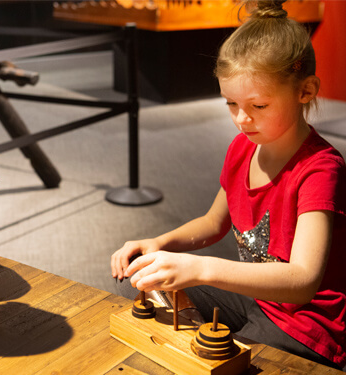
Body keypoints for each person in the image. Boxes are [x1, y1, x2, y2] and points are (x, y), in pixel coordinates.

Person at [111, 0, 346, 370]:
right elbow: (213, 222)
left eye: (259, 106)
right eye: (231, 103)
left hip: (305, 325)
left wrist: (200, 268)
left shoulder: (320, 169)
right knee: (151, 285)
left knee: (232, 360)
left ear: (306, 90)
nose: (241, 119)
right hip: (255, 298)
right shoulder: (243, 147)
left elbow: (302, 280)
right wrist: (159, 244)